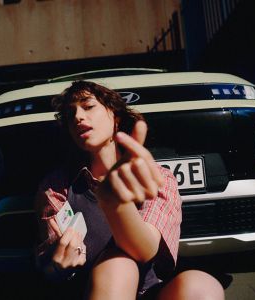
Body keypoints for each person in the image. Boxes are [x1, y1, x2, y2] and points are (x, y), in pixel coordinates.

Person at [35, 80, 224, 299]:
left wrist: (114, 203)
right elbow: (47, 266)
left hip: (149, 291)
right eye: (70, 114)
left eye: (88, 107)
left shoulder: (158, 176)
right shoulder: (56, 185)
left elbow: (145, 250)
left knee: (201, 286)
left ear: (115, 117)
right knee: (117, 267)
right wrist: (58, 267)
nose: (78, 116)